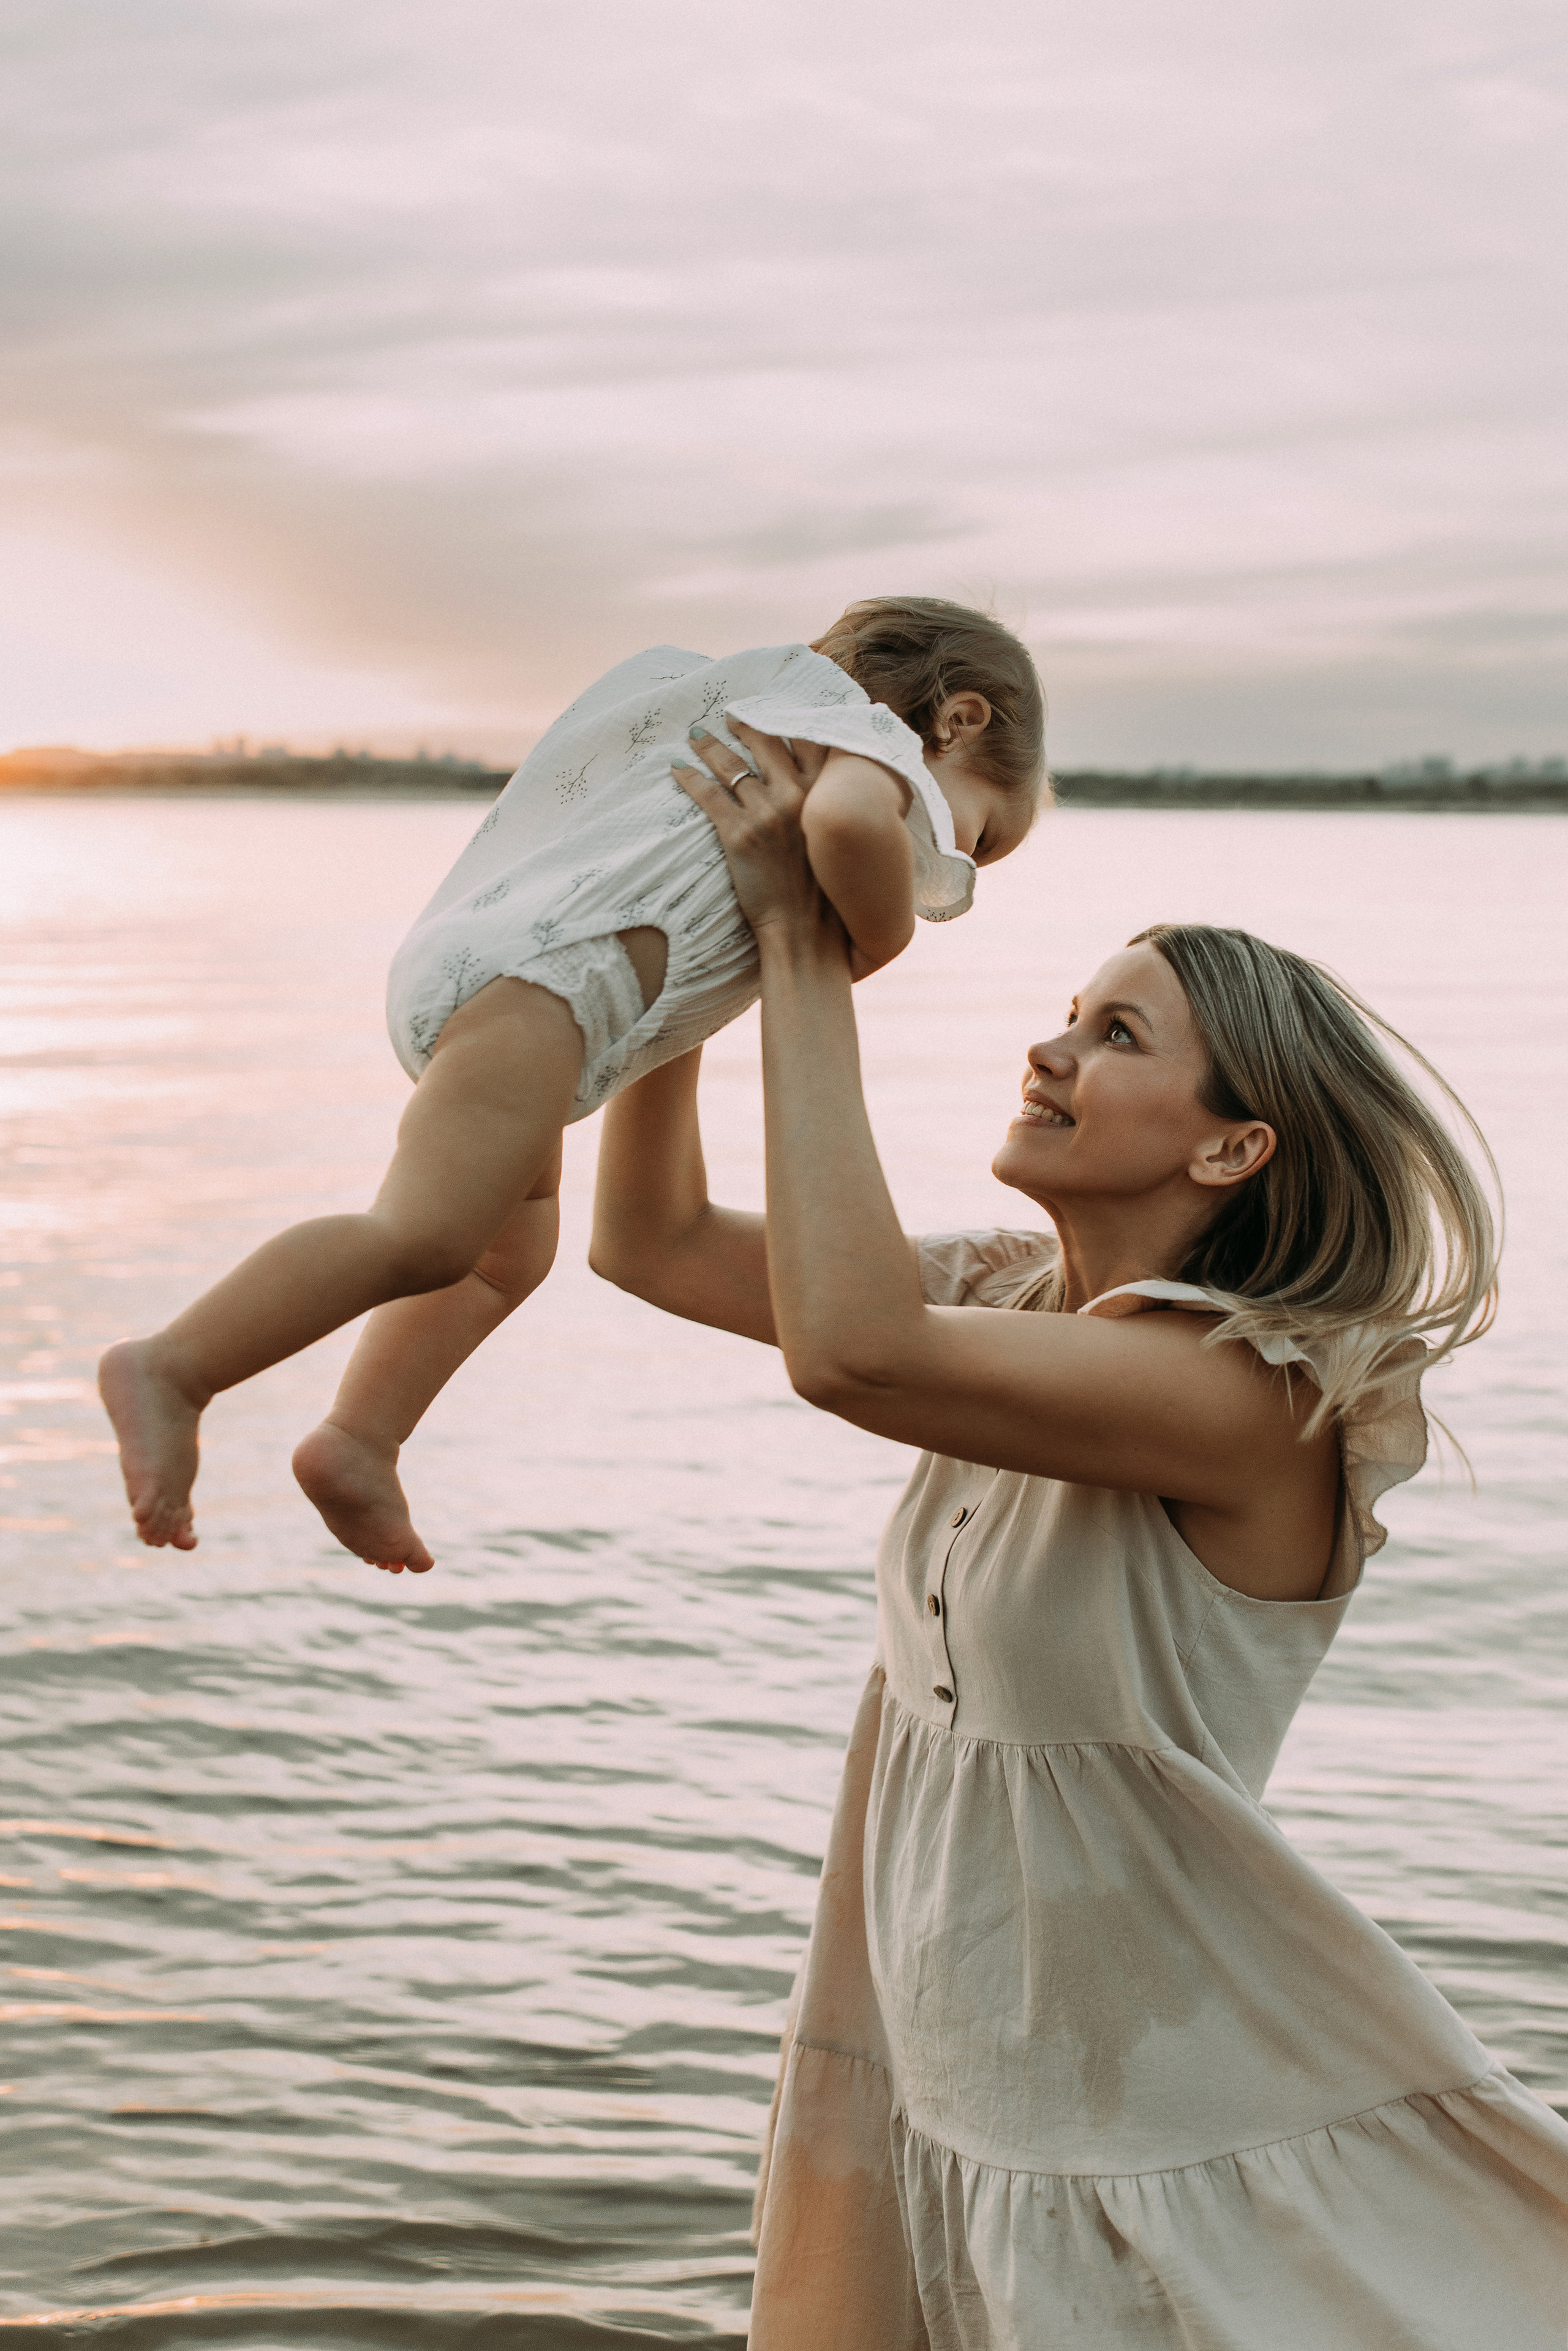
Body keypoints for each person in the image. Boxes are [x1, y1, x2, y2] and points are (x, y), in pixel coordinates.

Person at [588, 724, 1568, 2348]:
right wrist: (708, 944)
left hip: (1173, 2117)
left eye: (1113, 1033)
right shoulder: (1004, 1296)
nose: (1047, 1050)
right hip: (962, 2072)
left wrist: (800, 936)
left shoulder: (1250, 1396)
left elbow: (851, 1350)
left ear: (1231, 1143)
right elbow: (650, 1238)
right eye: (1065, 1014)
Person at [96, 598, 1044, 1569]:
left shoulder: (770, 726)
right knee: (423, 1233)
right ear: (958, 721)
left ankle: (360, 1438)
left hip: (527, 986)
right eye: (984, 837)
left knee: (507, 1255)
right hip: (546, 990)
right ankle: (176, 1365)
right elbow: (849, 824)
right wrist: (877, 939)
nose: (958, 865)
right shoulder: (868, 754)